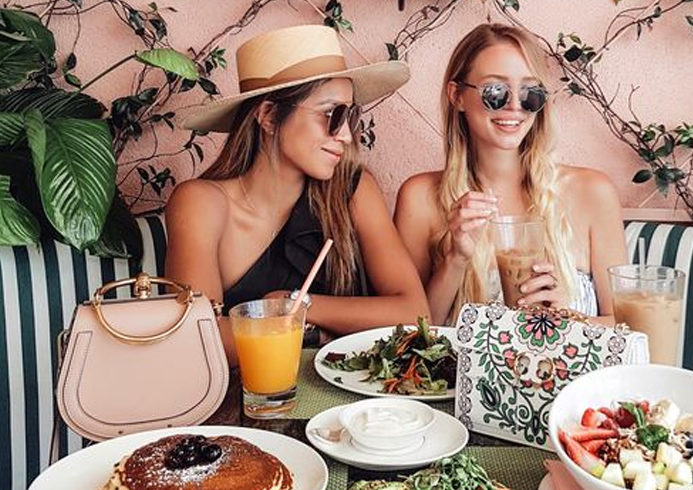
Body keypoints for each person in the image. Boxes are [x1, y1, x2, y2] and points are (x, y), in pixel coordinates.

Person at [167, 25, 430, 363]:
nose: (346, 135)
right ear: (269, 116)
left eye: (350, 115)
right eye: (332, 114)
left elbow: (413, 312)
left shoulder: (353, 190)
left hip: (346, 393)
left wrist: (296, 304)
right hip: (244, 393)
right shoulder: (201, 202)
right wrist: (317, 334)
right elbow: (200, 339)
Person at [394, 23, 627, 325]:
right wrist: (456, 259)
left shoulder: (592, 192)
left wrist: (566, 320)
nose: (515, 106)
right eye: (496, 91)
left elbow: (628, 329)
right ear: (457, 95)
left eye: (530, 93)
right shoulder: (420, 198)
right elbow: (411, 333)